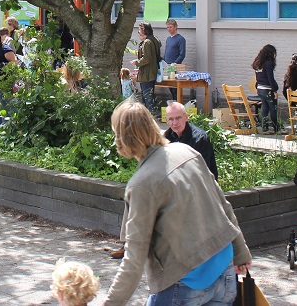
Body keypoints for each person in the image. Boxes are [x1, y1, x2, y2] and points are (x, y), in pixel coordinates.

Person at [104, 101, 252, 306]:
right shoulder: (186, 151)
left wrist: (111, 303)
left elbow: (134, 257)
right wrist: (240, 252)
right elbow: (223, 205)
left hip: (185, 282)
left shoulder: (141, 185)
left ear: (123, 138)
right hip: (224, 267)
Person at [164, 101, 218, 179]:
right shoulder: (167, 137)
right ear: (167, 121)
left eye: (178, 118)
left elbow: (203, 171)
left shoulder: (200, 138)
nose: (175, 123)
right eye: (171, 119)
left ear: (186, 117)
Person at [130, 21, 162, 117]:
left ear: (144, 30)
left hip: (147, 73)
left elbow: (147, 58)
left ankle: (151, 117)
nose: (139, 32)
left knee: (147, 95)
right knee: (150, 94)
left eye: (139, 29)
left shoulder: (147, 42)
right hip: (152, 71)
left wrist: (137, 62)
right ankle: (152, 115)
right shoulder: (155, 39)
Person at [251, 44, 279, 133]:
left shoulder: (258, 63)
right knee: (273, 109)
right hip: (268, 89)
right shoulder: (268, 63)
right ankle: (276, 128)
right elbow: (270, 78)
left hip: (260, 89)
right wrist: (274, 90)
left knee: (264, 108)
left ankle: (264, 127)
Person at [163, 19, 186, 100]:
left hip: (175, 66)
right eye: (167, 27)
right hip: (167, 66)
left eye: (171, 27)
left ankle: (178, 103)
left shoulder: (180, 39)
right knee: (170, 87)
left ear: (176, 27)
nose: (169, 29)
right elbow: (166, 52)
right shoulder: (168, 39)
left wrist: (175, 64)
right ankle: (174, 102)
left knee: (176, 88)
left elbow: (182, 54)